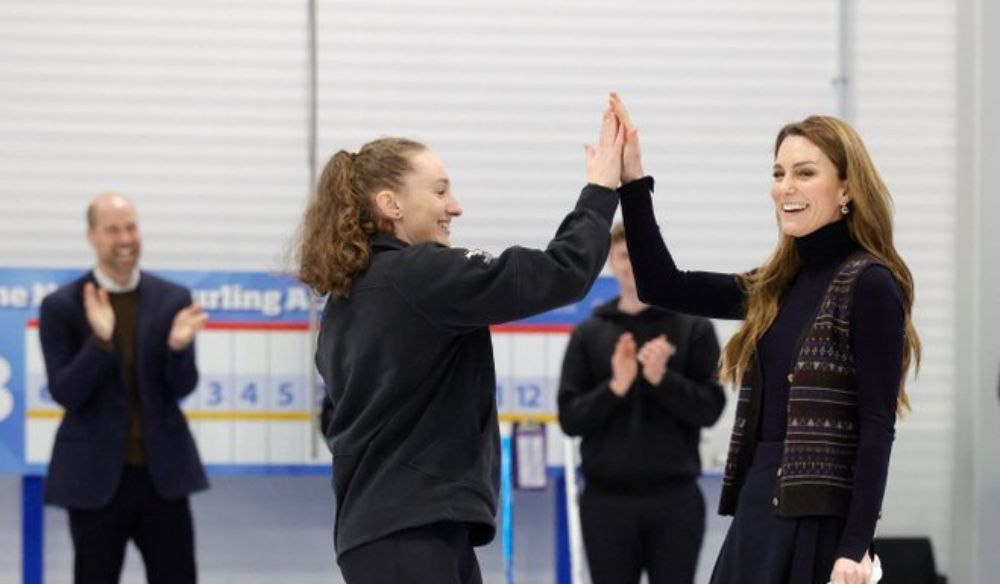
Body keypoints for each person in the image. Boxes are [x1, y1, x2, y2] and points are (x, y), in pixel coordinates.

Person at [296, 108, 625, 584]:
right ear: (391, 204)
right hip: (409, 536)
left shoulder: (347, 300)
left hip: (394, 532)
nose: (456, 207)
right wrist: (600, 190)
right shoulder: (418, 275)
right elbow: (562, 272)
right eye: (440, 190)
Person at [611, 93, 921, 584]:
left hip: (819, 523)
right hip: (759, 510)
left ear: (846, 188)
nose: (785, 188)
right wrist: (632, 181)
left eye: (804, 172)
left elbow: (876, 425)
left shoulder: (869, 283)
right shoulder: (775, 286)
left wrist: (854, 546)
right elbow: (660, 284)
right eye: (778, 173)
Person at [38, 192, 209, 584]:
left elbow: (182, 386)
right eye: (112, 230)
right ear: (92, 236)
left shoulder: (172, 299)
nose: (124, 239)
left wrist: (178, 348)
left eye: (130, 227)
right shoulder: (61, 306)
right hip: (94, 478)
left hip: (162, 477)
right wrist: (100, 342)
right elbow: (66, 392)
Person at [558, 221, 726, 584]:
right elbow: (570, 418)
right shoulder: (589, 334)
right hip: (606, 500)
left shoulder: (692, 328)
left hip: (675, 497)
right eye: (622, 255)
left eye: (638, 255)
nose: (631, 263)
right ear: (612, 262)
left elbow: (710, 408)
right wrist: (616, 387)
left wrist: (661, 380)